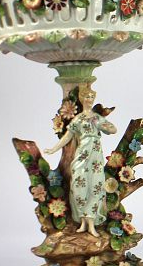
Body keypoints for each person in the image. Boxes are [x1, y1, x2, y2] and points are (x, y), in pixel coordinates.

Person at [44, 87, 116, 236]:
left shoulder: (96, 117)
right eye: (87, 96)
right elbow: (67, 136)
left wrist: (104, 125)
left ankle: (91, 222)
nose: (89, 99)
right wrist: (53, 149)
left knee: (96, 186)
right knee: (78, 185)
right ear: (82, 99)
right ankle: (83, 221)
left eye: (92, 97)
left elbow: (113, 130)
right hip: (82, 155)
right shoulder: (78, 119)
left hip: (95, 156)